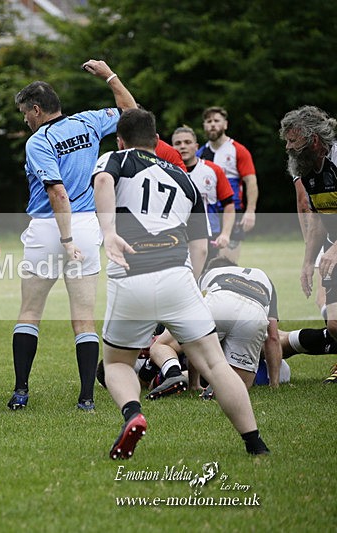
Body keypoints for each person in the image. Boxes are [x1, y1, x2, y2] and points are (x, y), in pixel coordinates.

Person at [92, 107, 269, 459]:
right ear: (157, 141)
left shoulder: (115, 159)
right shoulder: (186, 178)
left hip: (131, 276)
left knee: (116, 363)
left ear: (120, 140)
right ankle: (254, 442)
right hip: (179, 277)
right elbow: (200, 245)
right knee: (216, 365)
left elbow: (102, 182)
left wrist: (109, 232)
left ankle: (133, 414)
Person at [8, 60, 137, 412]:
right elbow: (131, 111)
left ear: (36, 109)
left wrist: (65, 241)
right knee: (83, 316)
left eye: (25, 113)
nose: (25, 120)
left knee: (30, 312)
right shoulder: (89, 121)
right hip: (86, 226)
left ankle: (21, 391)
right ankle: (86, 398)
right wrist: (111, 76)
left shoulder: (39, 141)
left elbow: (57, 193)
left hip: (53, 227)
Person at [148, 256, 282, 399]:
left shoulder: (208, 274)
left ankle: (173, 374)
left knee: (161, 345)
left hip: (219, 301)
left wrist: (194, 382)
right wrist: (274, 384)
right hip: (253, 314)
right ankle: (220, 387)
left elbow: (193, 325)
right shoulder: (264, 279)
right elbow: (273, 337)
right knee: (241, 383)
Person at [279, 105, 337, 384]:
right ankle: (296, 342)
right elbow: (316, 218)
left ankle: (290, 343)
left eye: (293, 140)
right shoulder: (307, 170)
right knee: (335, 324)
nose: (288, 147)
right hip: (334, 249)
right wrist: (307, 262)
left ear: (313, 139)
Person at [197, 106, 258, 262]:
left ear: (225, 125)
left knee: (228, 263)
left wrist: (250, 211)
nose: (212, 124)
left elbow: (251, 181)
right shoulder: (200, 154)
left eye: (216, 121)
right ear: (204, 125)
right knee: (205, 261)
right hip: (207, 213)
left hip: (232, 211)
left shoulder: (238, 150)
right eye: (208, 121)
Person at [171, 126, 236, 259]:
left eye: (187, 142)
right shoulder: (165, 172)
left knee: (206, 277)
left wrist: (225, 234)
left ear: (196, 146)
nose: (182, 146)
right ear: (171, 148)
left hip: (209, 235)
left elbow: (229, 205)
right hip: (175, 236)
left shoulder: (213, 170)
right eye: (178, 143)